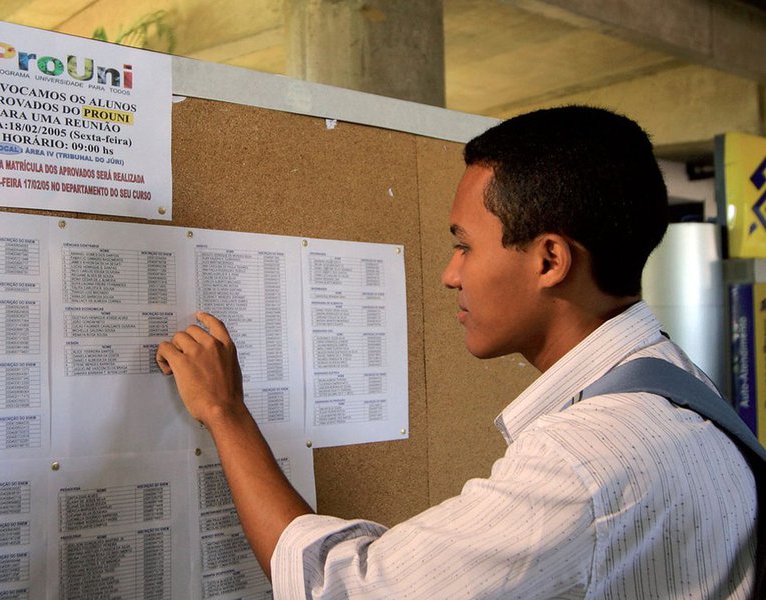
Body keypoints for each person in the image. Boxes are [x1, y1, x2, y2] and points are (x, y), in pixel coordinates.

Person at [155, 106, 757, 598]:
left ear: (550, 260)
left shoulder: (584, 461)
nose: (450, 273)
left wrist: (226, 413)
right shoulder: (677, 383)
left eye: (465, 246)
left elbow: (342, 591)